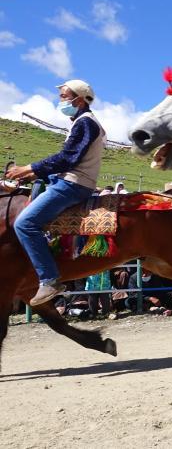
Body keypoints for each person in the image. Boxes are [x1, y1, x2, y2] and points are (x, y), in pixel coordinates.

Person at [7, 79, 105, 306]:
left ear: (78, 100)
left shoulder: (85, 123)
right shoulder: (82, 122)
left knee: (25, 224)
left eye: (64, 96)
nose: (60, 100)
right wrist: (34, 175)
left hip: (74, 184)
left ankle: (49, 278)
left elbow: (68, 158)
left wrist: (30, 168)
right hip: (71, 180)